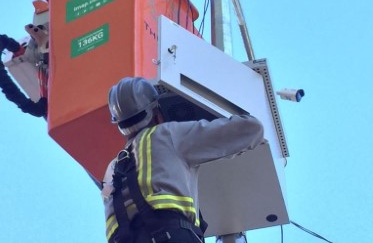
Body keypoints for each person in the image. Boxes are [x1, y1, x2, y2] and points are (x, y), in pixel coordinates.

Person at [102, 77, 265, 243]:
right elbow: (252, 129)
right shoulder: (166, 135)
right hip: (170, 236)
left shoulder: (112, 169)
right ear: (156, 112)